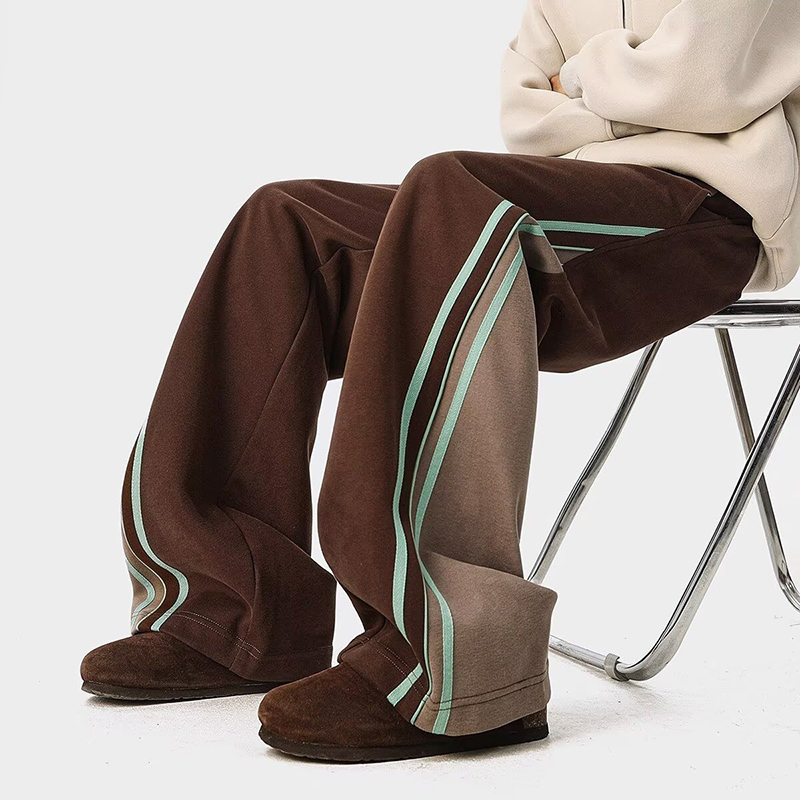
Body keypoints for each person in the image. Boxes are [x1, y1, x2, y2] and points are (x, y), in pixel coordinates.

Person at [80, 0, 799, 762]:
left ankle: (458, 662)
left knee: (451, 193)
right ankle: (229, 613)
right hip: (569, 194)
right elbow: (525, 115)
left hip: (710, 211)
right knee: (286, 222)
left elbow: (705, 76)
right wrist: (637, 84)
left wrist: (582, 83)